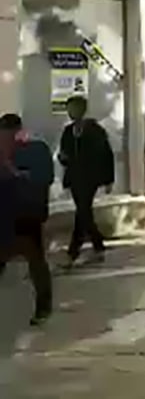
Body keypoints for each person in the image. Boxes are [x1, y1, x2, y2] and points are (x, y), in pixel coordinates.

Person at [0, 114, 55, 325]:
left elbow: (44, 178)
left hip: (26, 216)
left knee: (36, 261)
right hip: (5, 217)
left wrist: (14, 172)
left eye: (8, 135)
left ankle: (43, 307)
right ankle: (43, 306)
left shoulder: (35, 150)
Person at [57, 95, 115, 266]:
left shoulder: (95, 130)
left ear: (82, 109)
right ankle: (97, 246)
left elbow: (106, 154)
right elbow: (64, 153)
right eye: (69, 109)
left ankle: (73, 252)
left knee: (83, 210)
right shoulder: (68, 131)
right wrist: (63, 158)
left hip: (90, 177)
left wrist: (108, 179)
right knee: (83, 212)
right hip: (75, 177)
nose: (71, 112)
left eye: (74, 108)